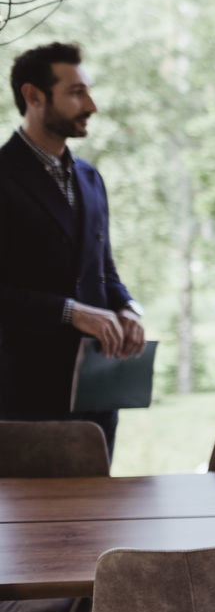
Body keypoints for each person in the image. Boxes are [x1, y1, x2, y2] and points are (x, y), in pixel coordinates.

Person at [0, 42, 145, 461]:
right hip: (26, 398)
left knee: (102, 521)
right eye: (77, 92)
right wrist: (72, 311)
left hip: (98, 395)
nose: (92, 105)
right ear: (33, 96)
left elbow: (103, 269)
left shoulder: (90, 177)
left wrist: (128, 308)